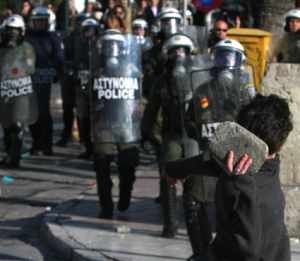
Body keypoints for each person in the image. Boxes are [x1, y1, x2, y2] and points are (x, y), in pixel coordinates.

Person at [166, 94, 293, 261]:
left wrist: (241, 184)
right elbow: (213, 162)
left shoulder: (242, 185)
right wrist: (175, 170)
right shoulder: (267, 165)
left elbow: (249, 250)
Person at [180, 38, 255, 260]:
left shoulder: (246, 94)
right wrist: (200, 130)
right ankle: (200, 252)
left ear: (240, 62)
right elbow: (190, 122)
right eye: (221, 56)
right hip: (208, 155)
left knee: (236, 209)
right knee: (192, 198)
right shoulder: (202, 91)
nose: (225, 63)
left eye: (230, 57)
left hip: (237, 161)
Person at [142, 33, 197, 238]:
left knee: (194, 182)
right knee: (168, 180)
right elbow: (151, 111)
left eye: (182, 51)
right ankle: (170, 224)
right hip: (172, 135)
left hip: (193, 137)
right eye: (175, 51)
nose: (179, 55)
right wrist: (151, 136)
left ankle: (193, 222)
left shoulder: (197, 78)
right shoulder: (162, 81)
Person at [92, 29, 142, 219]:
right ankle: (105, 206)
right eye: (106, 46)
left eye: (114, 46)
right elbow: (89, 99)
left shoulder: (131, 69)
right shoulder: (96, 71)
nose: (110, 50)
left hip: (125, 124)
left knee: (128, 165)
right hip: (104, 124)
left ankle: (124, 197)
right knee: (102, 165)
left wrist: (138, 110)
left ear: (122, 49)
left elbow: (139, 95)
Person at [26, 6, 64, 156]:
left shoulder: (53, 37)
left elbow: (59, 56)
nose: (40, 23)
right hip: (27, 78)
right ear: (32, 22)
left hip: (44, 77)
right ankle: (36, 143)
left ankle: (47, 145)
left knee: (43, 111)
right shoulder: (27, 37)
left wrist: (56, 70)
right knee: (31, 112)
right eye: (38, 21)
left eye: (43, 21)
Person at [0, 15, 36, 168]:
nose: (12, 34)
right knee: (7, 124)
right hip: (4, 90)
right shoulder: (1, 48)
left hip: (21, 90)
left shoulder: (27, 48)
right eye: (9, 31)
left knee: (17, 124)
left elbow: (30, 68)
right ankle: (9, 154)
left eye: (15, 31)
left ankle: (15, 157)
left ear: (22, 32)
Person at [75, 17, 100, 159]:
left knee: (96, 116)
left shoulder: (101, 44)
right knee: (82, 115)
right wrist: (74, 69)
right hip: (82, 84)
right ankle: (87, 146)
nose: (89, 33)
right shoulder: (79, 43)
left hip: (97, 85)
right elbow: (72, 60)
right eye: (86, 30)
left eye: (91, 30)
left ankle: (98, 147)